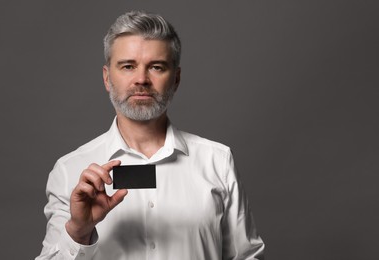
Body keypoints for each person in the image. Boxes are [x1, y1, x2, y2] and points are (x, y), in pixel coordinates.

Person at [36, 11, 264, 260]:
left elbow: (248, 256)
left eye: (156, 67)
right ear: (107, 78)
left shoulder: (217, 161)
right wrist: (79, 232)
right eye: (128, 66)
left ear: (175, 79)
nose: (141, 79)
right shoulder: (70, 171)